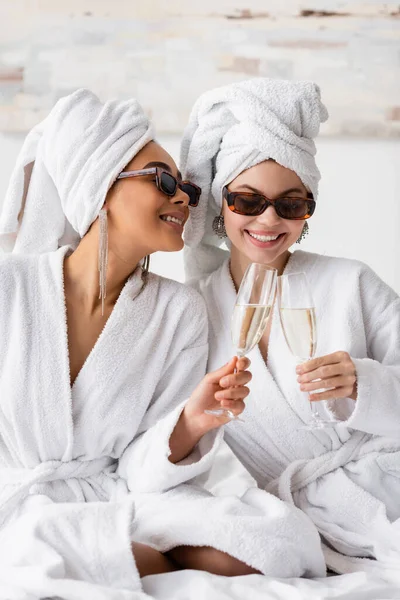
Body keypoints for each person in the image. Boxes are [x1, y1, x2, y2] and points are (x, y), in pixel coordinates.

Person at [0, 89, 324, 599]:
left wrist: (194, 419)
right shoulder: (9, 288)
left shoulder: (178, 312)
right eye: (163, 180)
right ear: (101, 184)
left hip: (120, 497)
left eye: (188, 191)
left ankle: (101, 554)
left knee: (278, 540)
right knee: (36, 538)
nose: (182, 199)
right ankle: (101, 552)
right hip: (18, 498)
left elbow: (140, 468)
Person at [182, 78, 400, 576]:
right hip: (295, 514)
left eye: (290, 203)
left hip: (387, 487)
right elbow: (165, 437)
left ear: (306, 210)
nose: (269, 219)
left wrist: (369, 385)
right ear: (221, 203)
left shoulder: (351, 282)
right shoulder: (194, 312)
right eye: (248, 201)